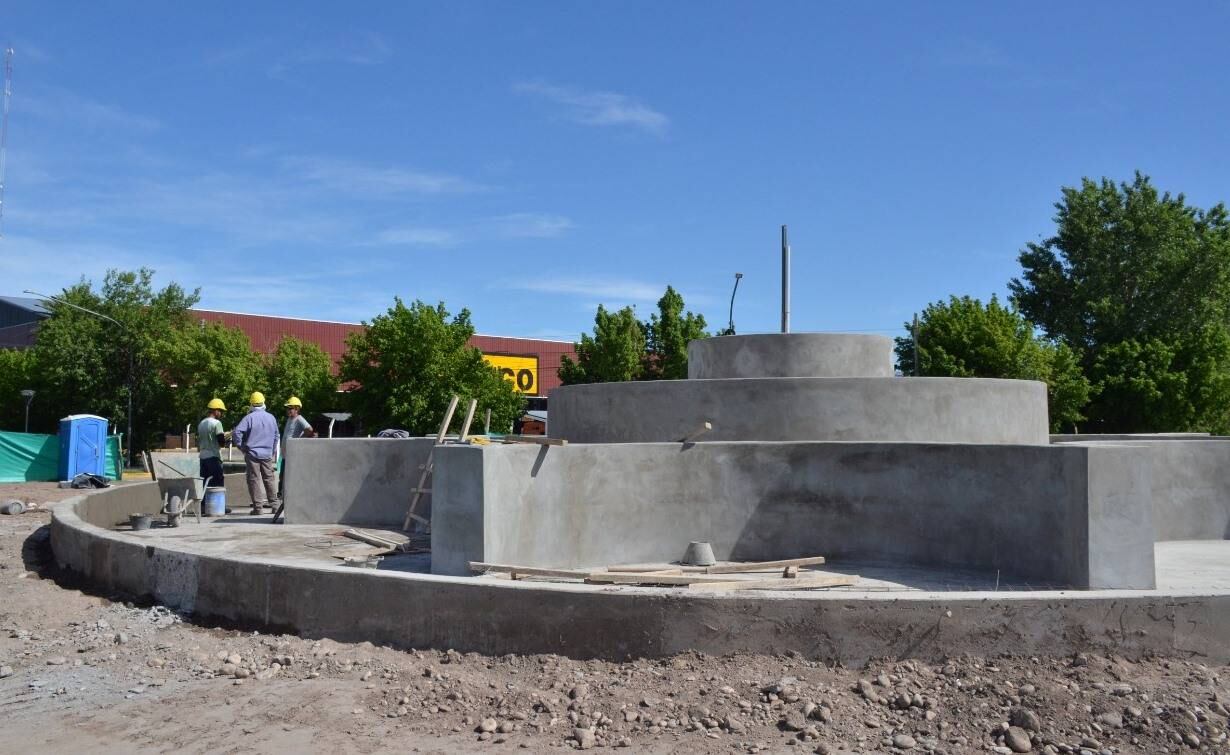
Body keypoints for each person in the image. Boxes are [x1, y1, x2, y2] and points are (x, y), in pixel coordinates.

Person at [231, 391, 280, 516]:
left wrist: (241, 447)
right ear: (263, 402)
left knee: (254, 480)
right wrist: (272, 450)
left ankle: (258, 508)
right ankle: (275, 506)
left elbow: (237, 433)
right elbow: (276, 435)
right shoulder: (271, 417)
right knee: (269, 479)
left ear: (251, 404)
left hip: (252, 454)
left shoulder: (249, 418)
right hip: (267, 454)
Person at [278, 396, 316, 502]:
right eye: (288, 408)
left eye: (290, 408)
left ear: (297, 409)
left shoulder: (299, 419)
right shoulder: (290, 419)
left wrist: (302, 438)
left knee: (288, 478)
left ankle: (288, 498)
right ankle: (282, 496)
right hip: (286, 455)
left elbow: (309, 430)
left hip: (292, 455)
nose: (288, 410)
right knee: (282, 477)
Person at [198, 398, 229, 488]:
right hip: (214, 457)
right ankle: (216, 502)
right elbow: (221, 442)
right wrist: (226, 438)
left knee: (205, 483)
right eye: (221, 411)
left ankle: (204, 502)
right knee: (217, 483)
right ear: (216, 410)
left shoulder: (201, 423)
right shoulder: (217, 423)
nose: (221, 414)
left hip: (203, 457)